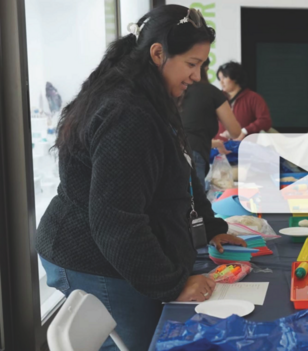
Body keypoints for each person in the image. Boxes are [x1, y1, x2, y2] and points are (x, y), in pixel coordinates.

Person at [35, 6, 245, 350]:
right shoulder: (128, 114)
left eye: (202, 65)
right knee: (156, 339)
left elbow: (182, 173)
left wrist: (211, 227)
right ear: (158, 53)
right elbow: (117, 221)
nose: (196, 76)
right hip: (94, 257)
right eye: (191, 64)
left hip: (108, 249)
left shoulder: (151, 98)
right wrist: (172, 286)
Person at [180, 58, 241, 187]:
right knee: (194, 203)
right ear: (205, 68)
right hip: (193, 155)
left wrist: (216, 143)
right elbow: (235, 131)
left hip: (168, 152)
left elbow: (187, 133)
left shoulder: (177, 91)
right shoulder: (211, 92)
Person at [216, 61, 272, 140]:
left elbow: (265, 121)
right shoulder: (216, 98)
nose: (221, 82)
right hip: (219, 148)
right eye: (219, 78)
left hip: (245, 147)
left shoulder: (253, 98)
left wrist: (245, 131)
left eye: (224, 77)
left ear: (235, 77)